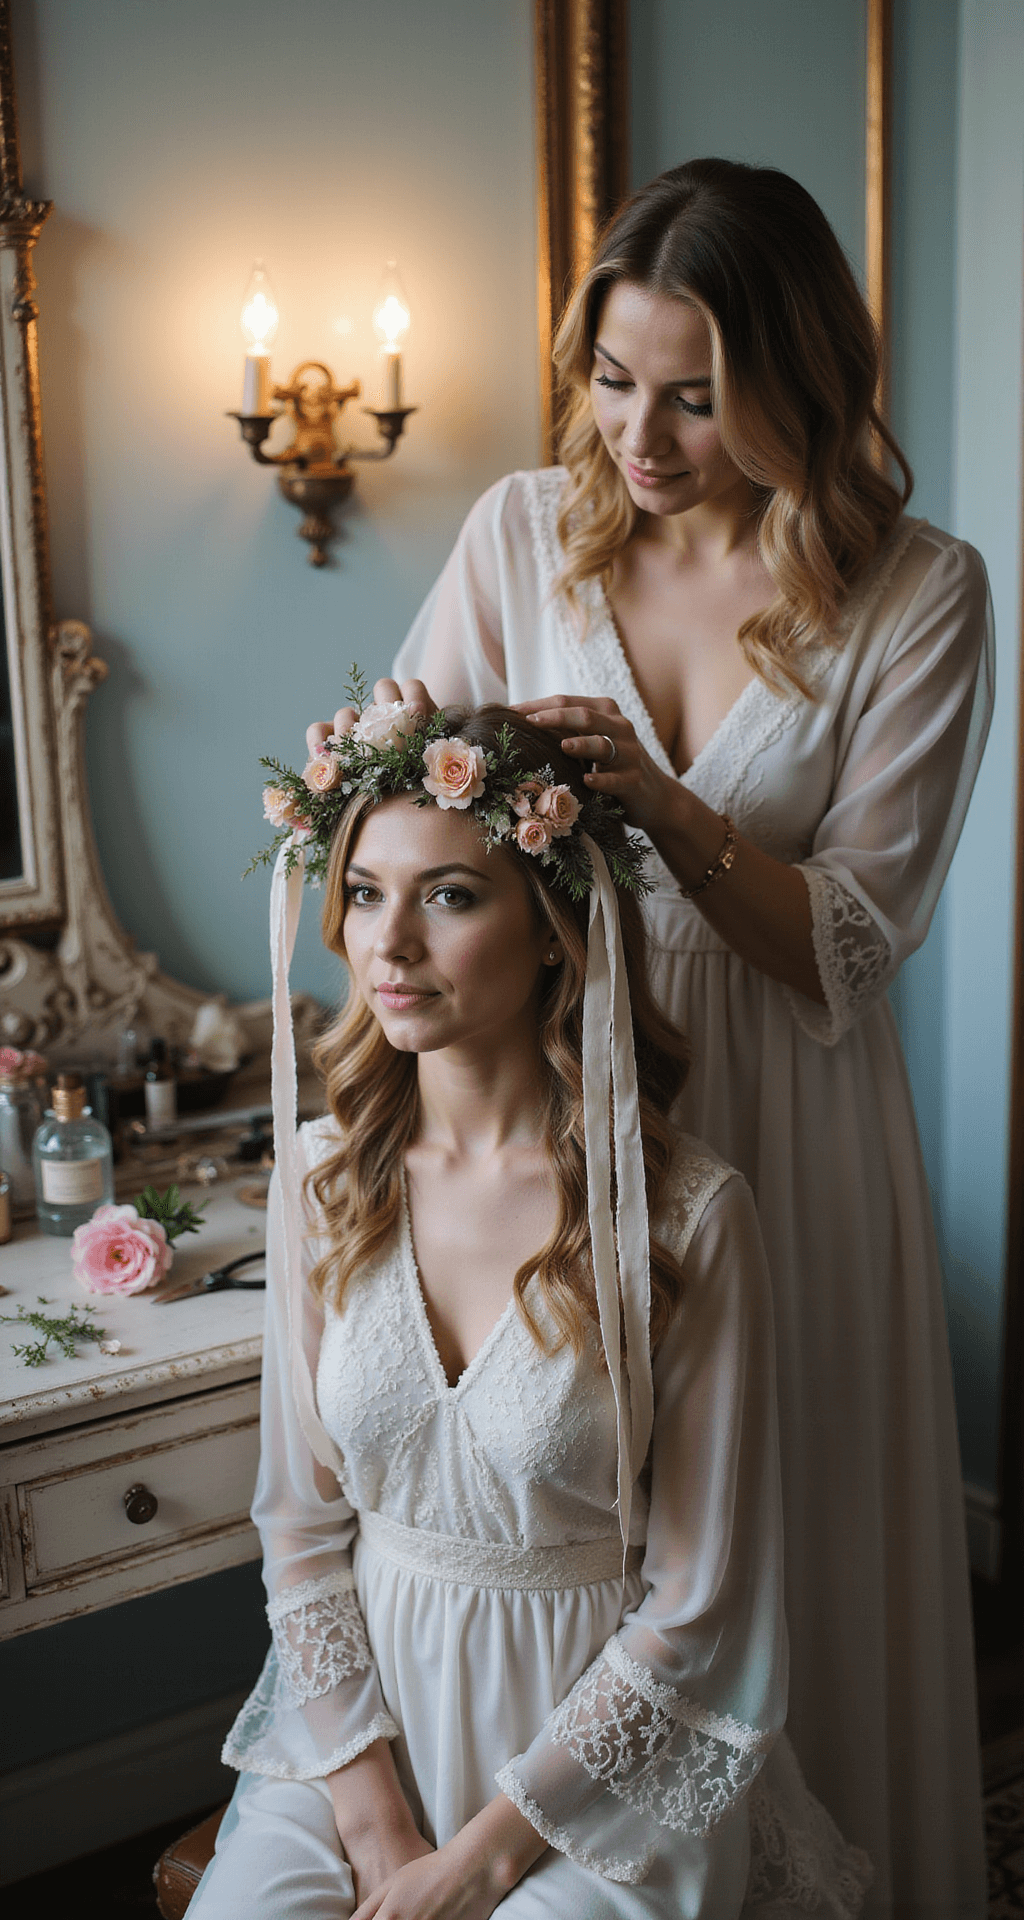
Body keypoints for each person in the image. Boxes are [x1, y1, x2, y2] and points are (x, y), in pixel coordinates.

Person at [311, 161, 994, 1914]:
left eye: (693, 395)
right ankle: (521, 1867)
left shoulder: (916, 591)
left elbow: (849, 945)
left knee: (776, 1560)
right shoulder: (519, 534)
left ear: (797, 382)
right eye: (613, 381)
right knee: (573, 1536)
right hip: (563, 1115)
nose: (641, 433)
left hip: (784, 1109)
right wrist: (382, 762)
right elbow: (402, 813)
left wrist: (673, 814)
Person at [192, 701, 872, 1918]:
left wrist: (487, 1857)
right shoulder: (322, 1180)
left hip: (601, 1764)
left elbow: (700, 1604)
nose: (388, 943)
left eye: (449, 896)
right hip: (363, 1735)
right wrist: (376, 1825)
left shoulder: (685, 1220)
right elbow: (298, 1529)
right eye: (362, 893)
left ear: (555, 929)